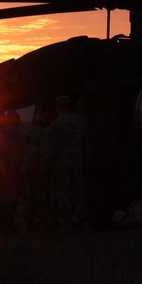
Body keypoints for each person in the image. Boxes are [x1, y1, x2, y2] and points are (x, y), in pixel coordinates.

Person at [43, 96, 91, 231]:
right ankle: (84, 221)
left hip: (62, 165)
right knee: (79, 192)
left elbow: (53, 147)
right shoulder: (80, 122)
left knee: (64, 193)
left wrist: (47, 163)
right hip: (78, 164)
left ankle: (67, 222)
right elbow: (87, 144)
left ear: (58, 107)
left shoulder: (56, 124)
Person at [21, 110, 49, 231]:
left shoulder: (28, 132)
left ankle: (29, 221)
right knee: (41, 194)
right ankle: (42, 221)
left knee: (29, 195)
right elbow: (45, 151)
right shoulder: (44, 133)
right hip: (38, 167)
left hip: (27, 166)